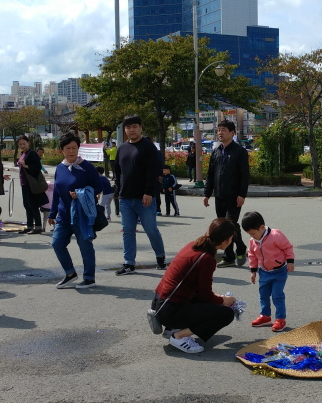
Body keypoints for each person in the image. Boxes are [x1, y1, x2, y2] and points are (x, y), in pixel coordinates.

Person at [151, 218, 239, 354]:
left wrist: (218, 298)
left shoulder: (193, 245)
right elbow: (205, 295)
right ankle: (178, 336)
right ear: (225, 240)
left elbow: (196, 288)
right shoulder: (207, 258)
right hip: (170, 311)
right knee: (226, 314)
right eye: (231, 238)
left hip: (160, 303)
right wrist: (222, 300)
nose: (231, 241)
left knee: (211, 303)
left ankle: (172, 328)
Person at [48, 132, 103, 289]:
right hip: (64, 215)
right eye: (68, 148)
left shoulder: (87, 167)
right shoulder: (60, 168)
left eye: (74, 148)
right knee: (57, 243)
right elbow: (56, 192)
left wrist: (81, 193)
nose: (71, 151)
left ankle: (89, 278)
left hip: (82, 215)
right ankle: (70, 273)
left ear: (78, 149)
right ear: (62, 150)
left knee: (85, 247)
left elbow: (99, 186)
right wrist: (52, 213)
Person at [115, 115, 166, 275]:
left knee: (151, 229)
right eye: (128, 127)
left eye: (134, 126)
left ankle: (160, 257)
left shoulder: (148, 147)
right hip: (125, 198)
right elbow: (118, 171)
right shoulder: (122, 148)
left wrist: (149, 192)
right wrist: (119, 189)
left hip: (144, 198)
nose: (131, 130)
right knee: (128, 231)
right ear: (125, 130)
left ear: (140, 127)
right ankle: (129, 263)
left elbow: (153, 171)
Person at [203, 120, 249, 267]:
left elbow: (244, 175)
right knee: (224, 227)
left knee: (230, 224)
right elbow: (210, 174)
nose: (220, 132)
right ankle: (229, 256)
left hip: (234, 196)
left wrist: (242, 194)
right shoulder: (216, 151)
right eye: (219, 130)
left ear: (232, 133)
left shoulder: (239, 151)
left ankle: (240, 248)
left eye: (223, 130)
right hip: (219, 196)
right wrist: (207, 193)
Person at [242, 211, 294, 333]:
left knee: (277, 295)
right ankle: (265, 316)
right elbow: (252, 255)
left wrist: (290, 261)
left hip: (279, 271)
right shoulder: (253, 241)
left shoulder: (276, 235)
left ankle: (280, 318)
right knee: (263, 295)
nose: (252, 236)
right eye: (249, 234)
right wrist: (253, 271)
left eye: (253, 233)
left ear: (261, 227)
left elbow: (287, 247)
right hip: (264, 272)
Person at [16, 135, 46, 234]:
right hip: (24, 182)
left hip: (31, 183)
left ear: (28, 143)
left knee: (33, 205)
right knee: (27, 205)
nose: (22, 146)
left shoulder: (32, 153)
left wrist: (27, 166)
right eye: (20, 144)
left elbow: (38, 167)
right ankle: (29, 225)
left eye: (24, 143)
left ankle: (38, 226)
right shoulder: (23, 153)